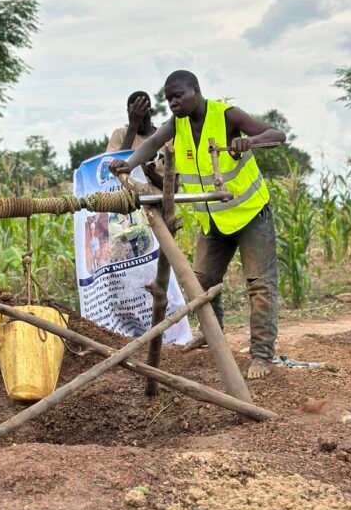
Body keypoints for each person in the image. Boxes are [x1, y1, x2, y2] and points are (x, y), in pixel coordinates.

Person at [110, 70, 285, 379]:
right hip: (214, 220)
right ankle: (211, 334)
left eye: (178, 95)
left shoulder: (227, 115)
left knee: (260, 286)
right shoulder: (177, 125)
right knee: (201, 282)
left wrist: (250, 141)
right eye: (168, 99)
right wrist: (130, 163)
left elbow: (277, 135)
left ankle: (261, 355)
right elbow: (153, 143)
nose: (173, 103)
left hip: (249, 214)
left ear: (196, 90)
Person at [106, 90, 163, 190]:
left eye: (143, 114)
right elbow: (112, 172)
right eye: (135, 115)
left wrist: (150, 173)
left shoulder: (164, 137)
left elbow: (174, 188)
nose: (139, 120)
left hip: (159, 199)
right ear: (129, 113)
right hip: (127, 198)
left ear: (151, 112)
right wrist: (133, 126)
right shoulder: (120, 134)